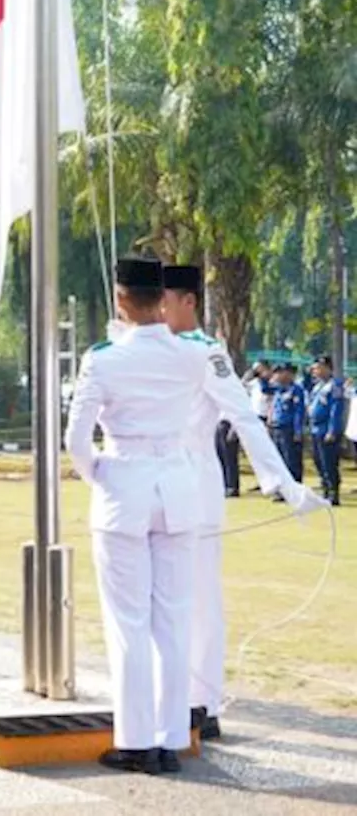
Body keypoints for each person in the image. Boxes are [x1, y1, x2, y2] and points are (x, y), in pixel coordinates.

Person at [65, 256, 320, 775]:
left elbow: (75, 441)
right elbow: (240, 415)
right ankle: (172, 734)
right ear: (163, 299)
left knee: (136, 621)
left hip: (136, 485)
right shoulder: (191, 356)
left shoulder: (110, 356)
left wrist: (100, 475)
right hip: (178, 489)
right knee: (176, 617)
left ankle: (145, 736)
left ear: (121, 300)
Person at [161, 265, 322, 742]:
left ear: (188, 301)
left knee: (201, 599)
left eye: (165, 299)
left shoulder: (207, 353)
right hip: (156, 486)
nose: (159, 309)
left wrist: (283, 483)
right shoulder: (149, 349)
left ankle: (203, 702)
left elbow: (245, 420)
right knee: (164, 599)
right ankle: (172, 695)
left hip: (195, 484)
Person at [307, 355, 344, 506]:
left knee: (329, 462)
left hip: (325, 429)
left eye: (318, 368)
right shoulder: (318, 386)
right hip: (315, 428)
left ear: (328, 368)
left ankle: (333, 492)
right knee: (318, 461)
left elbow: (336, 410)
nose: (315, 371)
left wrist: (332, 430)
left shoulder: (334, 386)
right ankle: (325, 489)